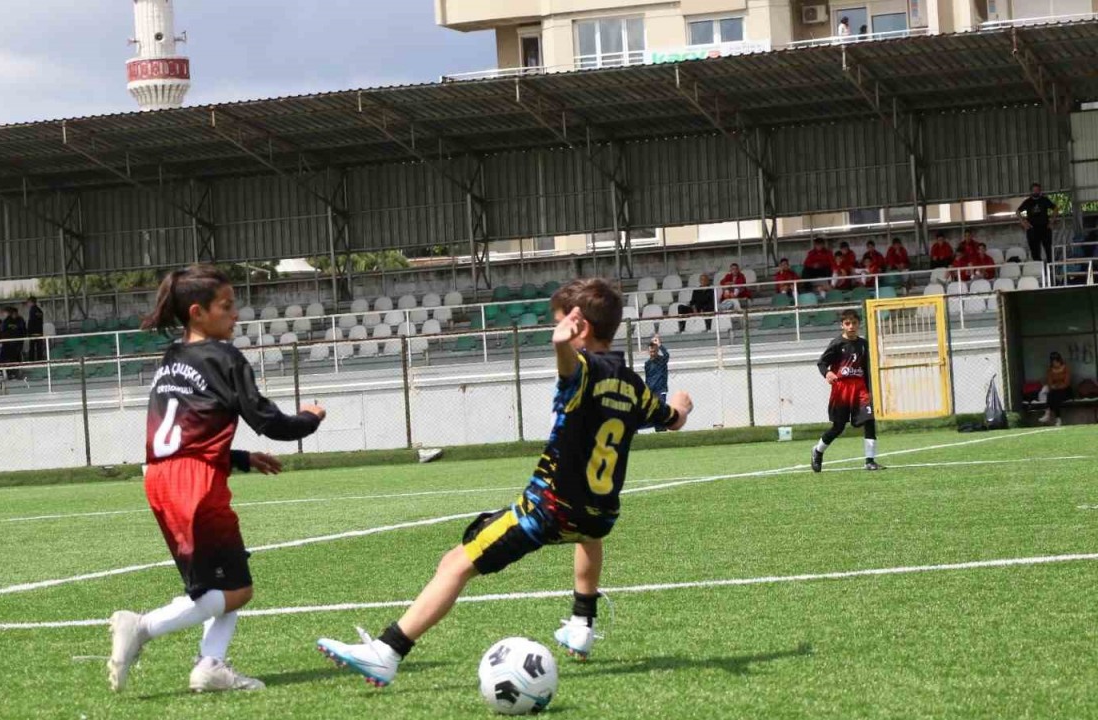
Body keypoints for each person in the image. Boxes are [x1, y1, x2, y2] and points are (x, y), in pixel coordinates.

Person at [314, 278, 694, 687]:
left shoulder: (582, 369)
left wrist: (561, 344)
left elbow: (571, 368)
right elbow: (671, 419)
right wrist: (681, 406)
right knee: (588, 532)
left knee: (455, 564)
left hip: (547, 511)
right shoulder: (633, 386)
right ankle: (582, 623)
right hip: (599, 516)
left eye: (561, 321)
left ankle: (387, 651)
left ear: (579, 326)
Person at [106, 265, 326, 694]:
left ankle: (211, 666)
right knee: (238, 589)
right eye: (226, 306)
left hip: (160, 478)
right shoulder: (226, 358)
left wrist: (242, 458)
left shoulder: (172, 358)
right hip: (196, 484)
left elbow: (185, 435)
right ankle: (142, 627)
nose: (236, 314)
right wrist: (310, 419)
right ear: (197, 312)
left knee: (219, 583)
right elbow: (269, 421)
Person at [811, 309, 883, 473]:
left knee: (869, 420)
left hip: (860, 389)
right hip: (842, 389)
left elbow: (866, 368)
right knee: (838, 427)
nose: (851, 326)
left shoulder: (864, 344)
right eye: (847, 323)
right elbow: (822, 363)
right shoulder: (837, 344)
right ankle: (818, 450)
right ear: (842, 325)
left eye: (854, 323)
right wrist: (827, 373)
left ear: (859, 324)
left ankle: (870, 461)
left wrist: (869, 390)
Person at [1017, 183, 1058, 263]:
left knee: (1048, 249)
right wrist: (1024, 223)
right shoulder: (1027, 202)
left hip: (1045, 228)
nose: (1035, 192)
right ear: (1031, 191)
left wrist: (1051, 222)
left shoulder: (1044, 200)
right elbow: (1018, 212)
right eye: (1034, 190)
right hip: (1032, 229)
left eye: (1037, 190)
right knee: (1034, 251)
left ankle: (1051, 269)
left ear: (1040, 191)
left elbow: (1055, 209)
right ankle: (1039, 268)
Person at [644, 336, 670, 432]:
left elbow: (667, 355)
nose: (652, 353)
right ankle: (659, 431)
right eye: (650, 351)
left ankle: (663, 431)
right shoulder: (647, 364)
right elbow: (648, 378)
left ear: (657, 350)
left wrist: (660, 344)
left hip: (661, 390)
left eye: (654, 351)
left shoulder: (662, 360)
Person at [1042, 351, 1071, 427]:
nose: (1055, 364)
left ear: (1059, 361)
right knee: (1051, 394)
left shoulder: (1065, 368)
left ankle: (1056, 418)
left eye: (1056, 362)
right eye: (1053, 362)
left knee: (1056, 396)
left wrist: (1058, 386)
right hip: (1055, 390)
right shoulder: (1050, 370)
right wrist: (1053, 386)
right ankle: (1048, 414)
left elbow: (1067, 382)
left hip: (1065, 390)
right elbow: (1049, 382)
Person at [26, 296, 46, 363]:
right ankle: (40, 361)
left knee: (32, 348)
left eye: (28, 303)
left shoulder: (32, 310)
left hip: (33, 332)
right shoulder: (39, 310)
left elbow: (31, 322)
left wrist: (28, 332)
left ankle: (31, 361)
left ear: (31, 302)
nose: (27, 304)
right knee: (39, 348)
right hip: (39, 332)